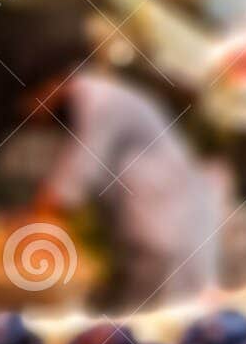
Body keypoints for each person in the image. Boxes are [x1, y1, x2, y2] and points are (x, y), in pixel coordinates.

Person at [34, 37, 224, 309]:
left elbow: (78, 173)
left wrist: (39, 218)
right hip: (154, 228)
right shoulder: (91, 101)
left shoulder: (100, 101)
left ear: (52, 85)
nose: (32, 111)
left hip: (167, 225)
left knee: (166, 313)